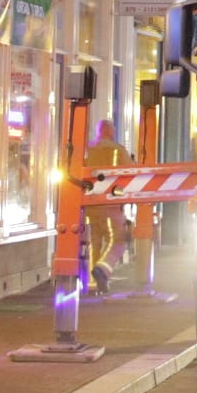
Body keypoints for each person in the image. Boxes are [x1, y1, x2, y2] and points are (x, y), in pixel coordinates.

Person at [82, 120, 132, 292]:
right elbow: (131, 173)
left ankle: (92, 284)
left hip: (90, 205)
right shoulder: (117, 150)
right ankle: (102, 269)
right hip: (110, 204)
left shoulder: (86, 149)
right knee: (118, 240)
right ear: (111, 132)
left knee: (94, 244)